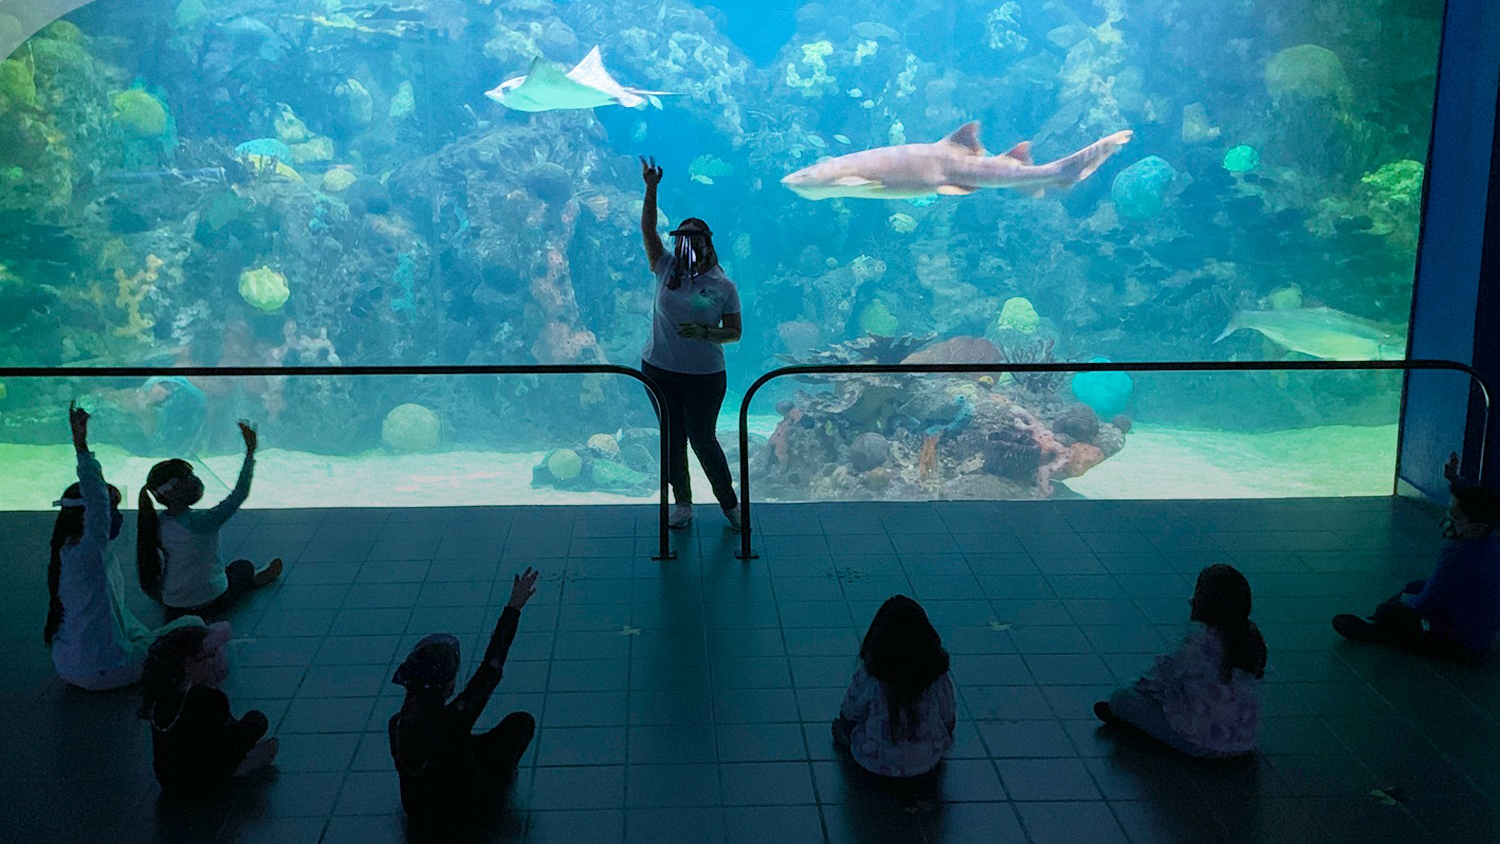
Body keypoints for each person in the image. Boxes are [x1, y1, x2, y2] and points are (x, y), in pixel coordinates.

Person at [46, 401, 204, 691]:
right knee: (195, 624)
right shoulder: (89, 554)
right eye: (110, 510)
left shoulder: (67, 554)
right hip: (107, 669)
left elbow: (119, 616)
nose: (113, 517)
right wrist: (81, 445)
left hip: (67, 667)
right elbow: (96, 503)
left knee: (149, 634)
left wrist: (144, 638)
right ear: (91, 517)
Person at [637, 155, 743, 531]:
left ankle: (729, 504)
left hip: (704, 376)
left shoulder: (722, 285)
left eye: (693, 240)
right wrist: (651, 189)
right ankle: (683, 504)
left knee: (703, 438)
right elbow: (648, 232)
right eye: (680, 239)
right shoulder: (665, 267)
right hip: (659, 370)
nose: (685, 245)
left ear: (707, 243)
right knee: (672, 438)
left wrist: (707, 333)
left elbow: (735, 332)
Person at [389, 567, 541, 829]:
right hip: (467, 808)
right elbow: (492, 667)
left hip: (418, 811)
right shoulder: (456, 717)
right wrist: (513, 608)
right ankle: (498, 784)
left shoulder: (397, 724)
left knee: (459, 745)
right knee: (521, 723)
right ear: (448, 686)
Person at [1333, 452, 1500, 660]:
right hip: (1480, 634)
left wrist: (1402, 602)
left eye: (1456, 516)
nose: (1450, 519)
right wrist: (1455, 480)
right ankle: (1380, 623)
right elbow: (1475, 502)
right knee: (1416, 585)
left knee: (1395, 611)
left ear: (1475, 526)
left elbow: (1427, 602)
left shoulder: (1458, 557)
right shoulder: (1487, 540)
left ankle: (1381, 629)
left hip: (1462, 643)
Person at [1094, 564, 1264, 759]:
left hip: (1202, 743)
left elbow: (1161, 677)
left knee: (1122, 698)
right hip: (1244, 741)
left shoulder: (1197, 641)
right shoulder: (1252, 640)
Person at [137, 419, 281, 621]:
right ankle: (255, 578)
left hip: (174, 606)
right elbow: (239, 494)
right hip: (209, 603)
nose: (194, 480)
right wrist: (250, 452)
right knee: (242, 567)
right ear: (174, 491)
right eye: (188, 478)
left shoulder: (156, 523)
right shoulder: (203, 522)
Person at [139, 622, 278, 798]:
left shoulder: (162, 695)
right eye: (211, 655)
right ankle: (241, 766)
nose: (218, 659)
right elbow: (227, 743)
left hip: (169, 781)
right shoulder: (207, 698)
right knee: (256, 721)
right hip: (202, 782)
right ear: (189, 664)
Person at [833, 595, 956, 781]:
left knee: (844, 727)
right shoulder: (936, 677)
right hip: (927, 762)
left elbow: (849, 713)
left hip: (876, 763)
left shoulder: (871, 678)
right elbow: (948, 717)